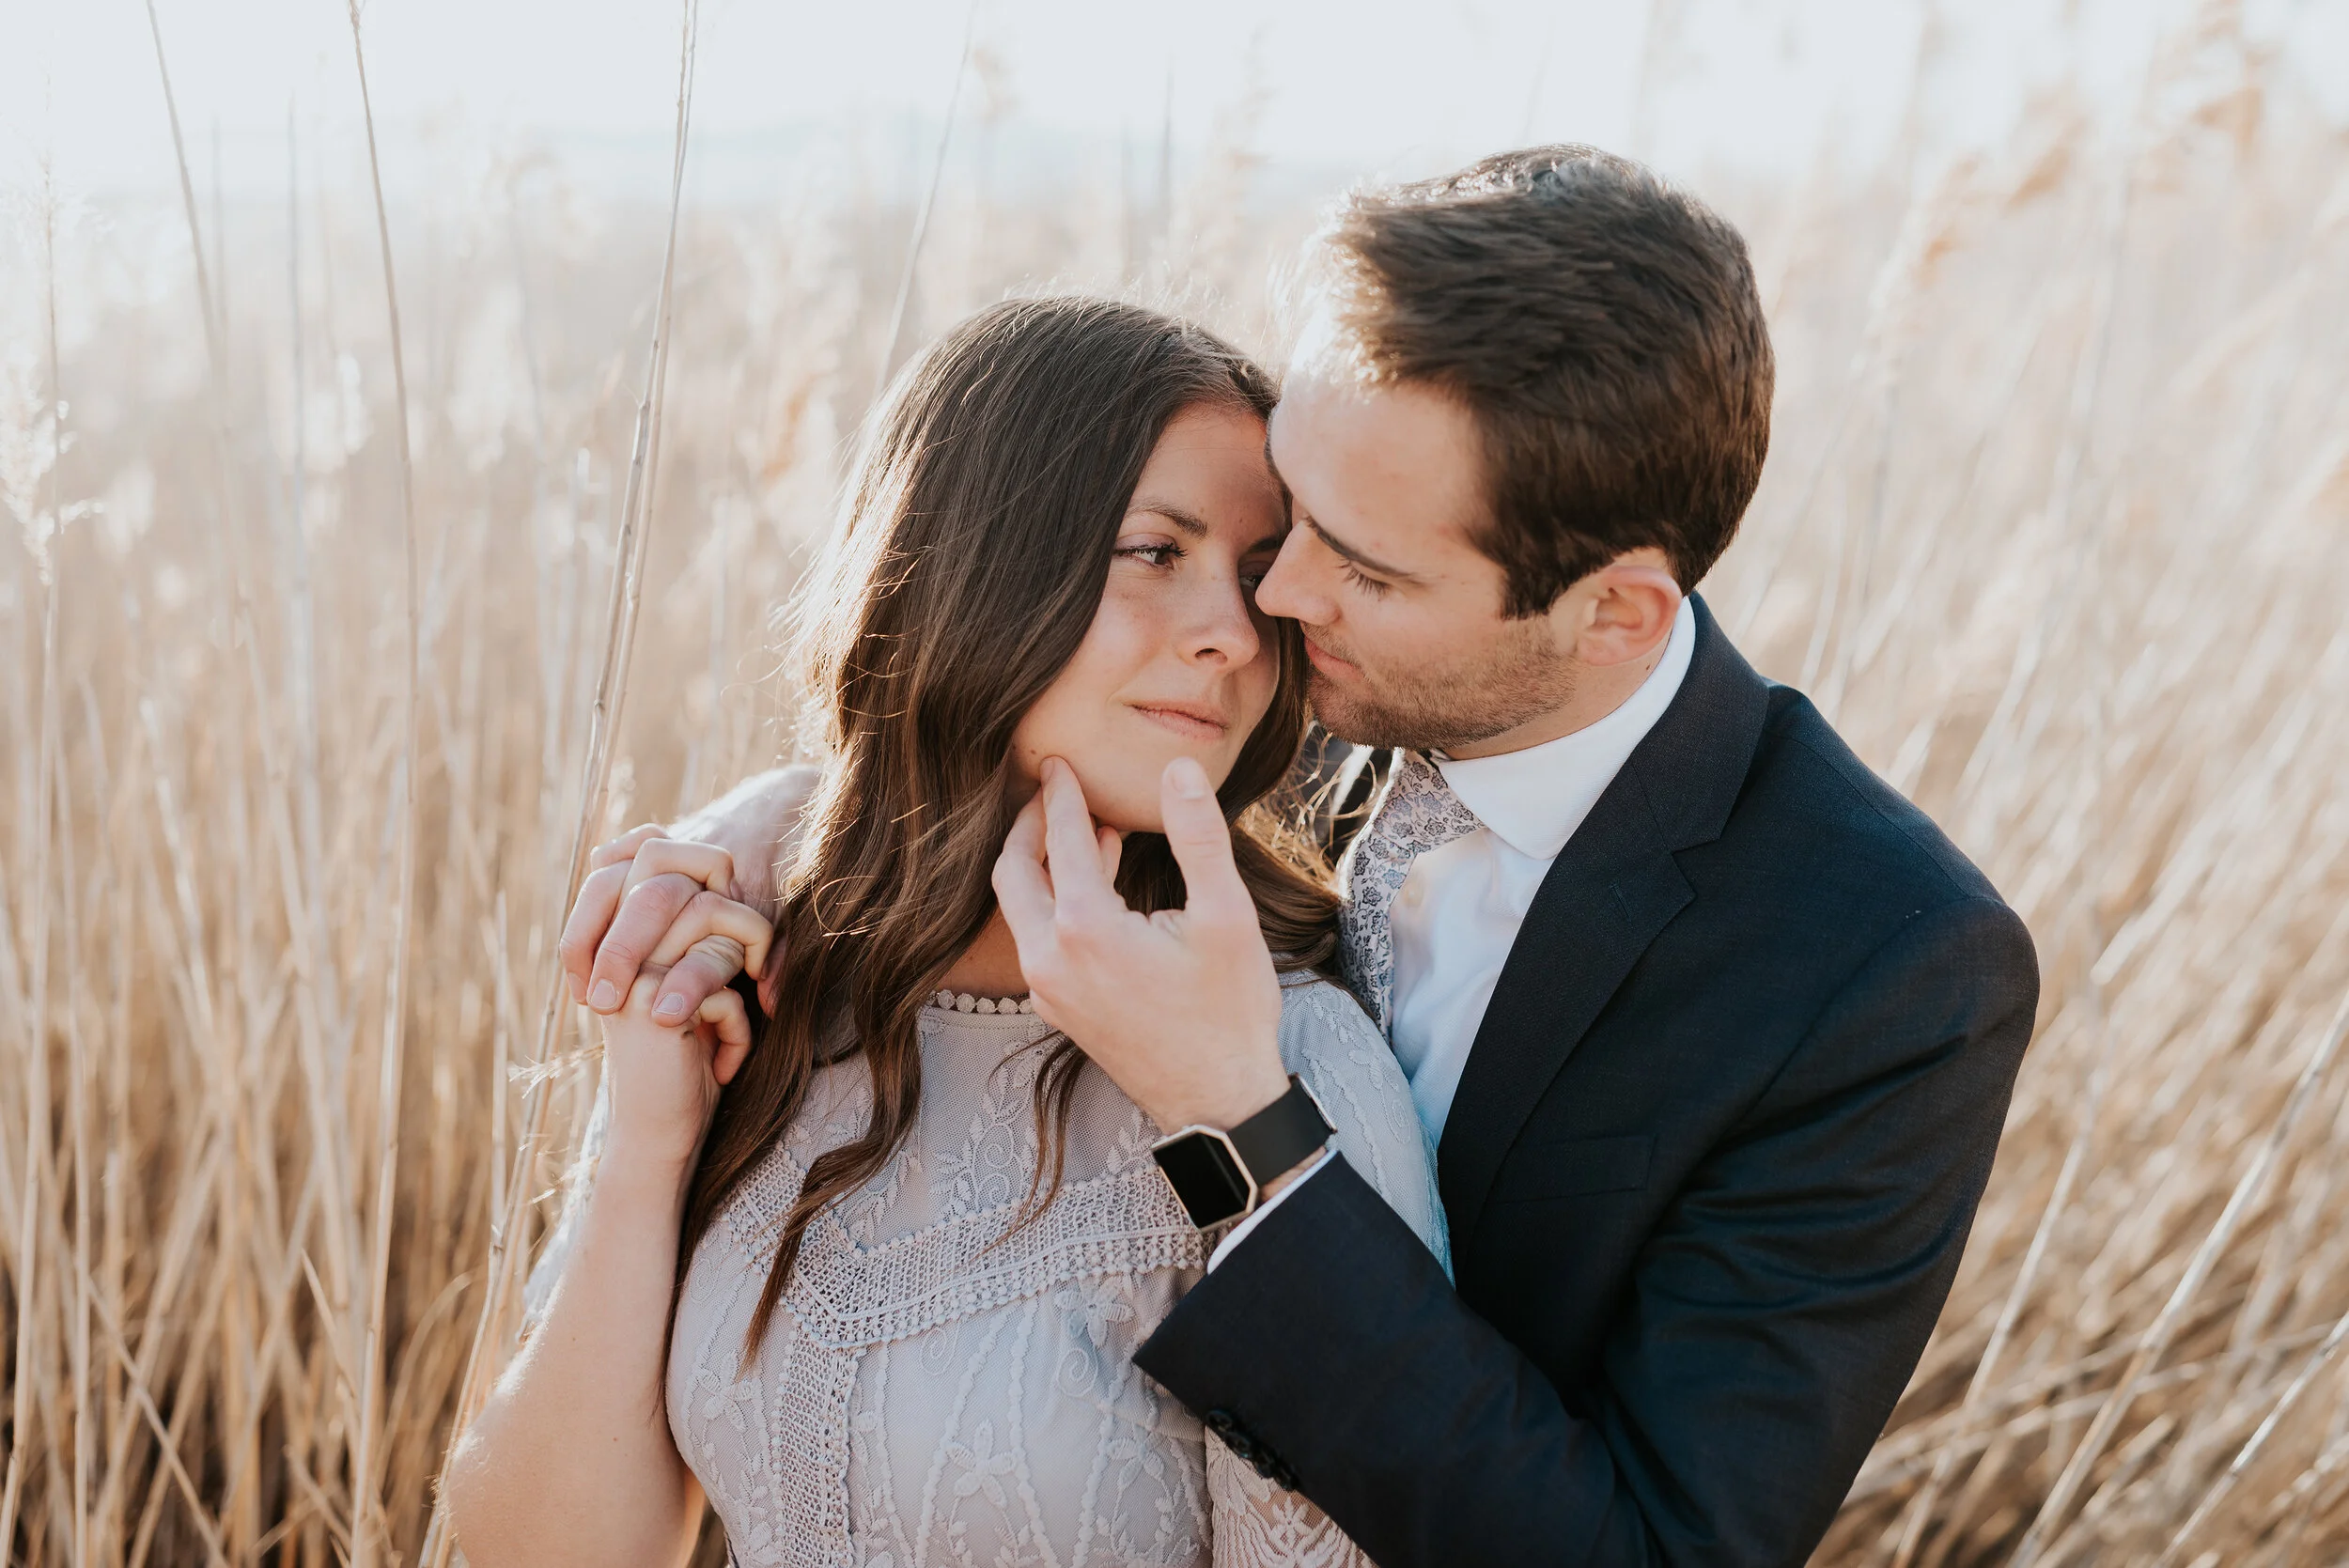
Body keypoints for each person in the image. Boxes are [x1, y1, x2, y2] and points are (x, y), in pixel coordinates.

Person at [572, 147, 2041, 1567]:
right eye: (1294, 511)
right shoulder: (1285, 669)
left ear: (1615, 616)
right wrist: (754, 842)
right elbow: (1021, 712)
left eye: (1365, 565)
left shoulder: (1883, 969)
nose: (1274, 595)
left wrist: (1241, 1121)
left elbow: (1640, 1549)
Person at [445, 297, 1445, 1568]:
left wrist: (1228, 1136)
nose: (1235, 634)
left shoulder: (1290, 1070)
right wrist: (652, 1136)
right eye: (1156, 551)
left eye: (1258, 577)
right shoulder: (771, 980)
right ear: (974, 557)